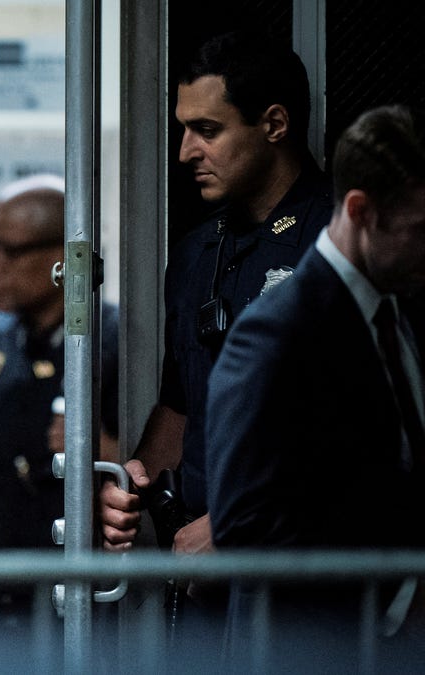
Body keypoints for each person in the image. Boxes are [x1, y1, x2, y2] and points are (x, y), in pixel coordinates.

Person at [97, 29, 333, 656]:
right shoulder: (200, 251)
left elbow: (355, 433)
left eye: (208, 129)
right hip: (202, 591)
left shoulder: (339, 244)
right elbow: (182, 400)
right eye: (183, 128)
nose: (184, 151)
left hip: (309, 596)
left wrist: (237, 531)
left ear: (275, 124)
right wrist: (131, 487)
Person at [205, 104, 425, 668]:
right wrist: (399, 574)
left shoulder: (395, 309)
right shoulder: (277, 334)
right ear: (360, 211)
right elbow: (245, 527)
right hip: (313, 650)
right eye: (420, 230)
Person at [0, 176, 119, 633]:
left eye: (7, 251)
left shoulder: (114, 344)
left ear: (60, 256)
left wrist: (104, 449)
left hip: (78, 597)